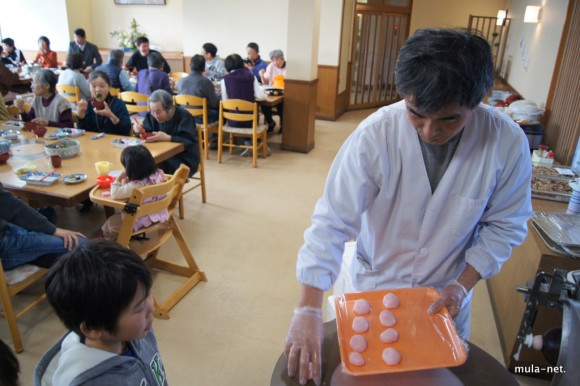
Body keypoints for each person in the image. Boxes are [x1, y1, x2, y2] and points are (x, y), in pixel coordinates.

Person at [284, 28, 532, 385]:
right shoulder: (375, 135)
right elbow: (332, 222)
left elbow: (506, 226)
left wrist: (461, 285)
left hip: (444, 295)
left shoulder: (505, 143)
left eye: (449, 118)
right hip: (375, 286)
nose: (430, 130)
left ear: (479, 100)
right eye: (417, 113)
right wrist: (307, 307)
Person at [36, 240, 167, 386]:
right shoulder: (91, 381)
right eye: (139, 308)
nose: (151, 309)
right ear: (94, 328)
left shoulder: (140, 331)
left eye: (148, 294)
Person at [0, 183, 85, 271]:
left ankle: (38, 255)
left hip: (6, 227)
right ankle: (40, 255)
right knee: (82, 246)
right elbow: (12, 206)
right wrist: (54, 230)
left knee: (48, 212)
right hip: (3, 245)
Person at [101, 146, 169, 239]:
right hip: (157, 213)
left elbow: (115, 193)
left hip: (140, 219)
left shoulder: (136, 186)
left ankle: (114, 244)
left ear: (131, 169)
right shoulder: (158, 174)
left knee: (108, 224)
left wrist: (118, 179)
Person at [133, 89, 199, 177]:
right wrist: (138, 130)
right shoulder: (151, 115)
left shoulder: (184, 117)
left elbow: (189, 142)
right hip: (159, 154)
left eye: (158, 112)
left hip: (183, 158)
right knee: (137, 162)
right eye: (152, 111)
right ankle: (149, 189)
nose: (155, 115)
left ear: (170, 108)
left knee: (152, 167)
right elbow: (145, 133)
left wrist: (168, 138)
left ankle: (161, 189)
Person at [77, 70, 131, 135]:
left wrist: (111, 116)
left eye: (102, 86)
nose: (98, 90)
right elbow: (83, 132)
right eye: (93, 86)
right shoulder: (88, 104)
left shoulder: (118, 104)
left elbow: (126, 129)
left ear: (109, 87)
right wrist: (81, 115)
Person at [177, 54, 219, 124]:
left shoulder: (181, 81)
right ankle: (213, 135)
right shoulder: (206, 82)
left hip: (184, 116)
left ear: (190, 66)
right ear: (203, 68)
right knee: (219, 112)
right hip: (201, 118)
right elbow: (214, 103)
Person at [260, 49, 286, 133]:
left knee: (281, 106)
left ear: (282, 59)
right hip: (272, 92)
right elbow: (266, 81)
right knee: (264, 105)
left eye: (277, 60)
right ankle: (271, 123)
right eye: (273, 60)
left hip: (284, 93)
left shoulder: (288, 67)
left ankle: (283, 126)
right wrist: (262, 75)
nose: (275, 62)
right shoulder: (271, 66)